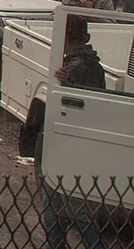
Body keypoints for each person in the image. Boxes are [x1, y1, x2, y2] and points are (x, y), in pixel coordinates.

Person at [41, 14, 106, 249]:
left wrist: (65, 83)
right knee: (59, 205)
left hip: (70, 146)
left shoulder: (76, 66)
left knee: (70, 208)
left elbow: (73, 105)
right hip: (77, 146)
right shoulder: (90, 63)